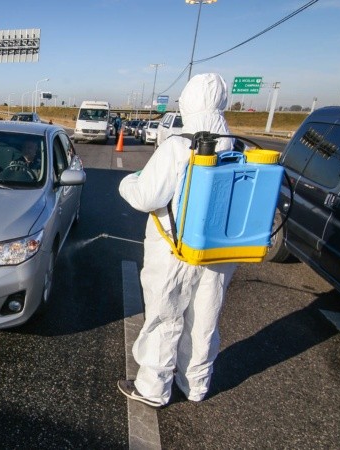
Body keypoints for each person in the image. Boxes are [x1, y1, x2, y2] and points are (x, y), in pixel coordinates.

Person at [117, 73, 237, 407]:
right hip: (220, 251)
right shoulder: (237, 147)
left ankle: (153, 388)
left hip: (175, 250)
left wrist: (129, 181)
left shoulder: (179, 145)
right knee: (204, 319)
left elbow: (147, 196)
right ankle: (195, 385)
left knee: (165, 316)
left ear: (187, 102)